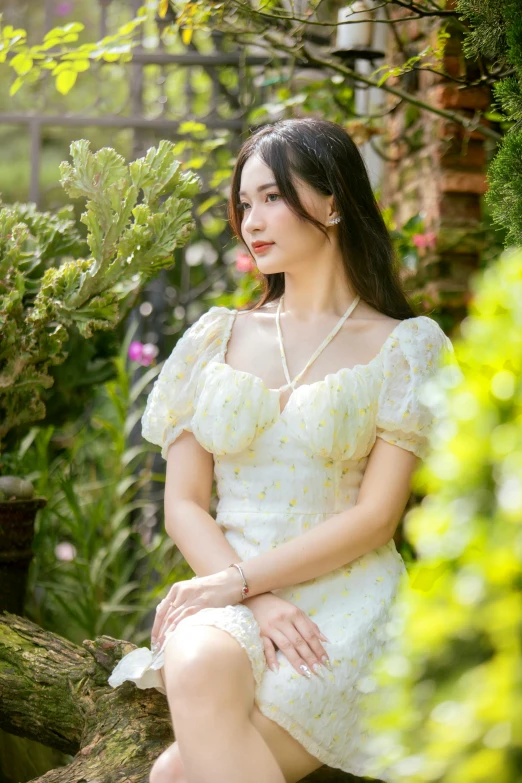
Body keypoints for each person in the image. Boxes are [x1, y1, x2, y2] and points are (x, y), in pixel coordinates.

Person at [108, 117, 454, 783]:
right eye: (244, 203)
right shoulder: (214, 337)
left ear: (331, 200)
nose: (252, 220)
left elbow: (378, 516)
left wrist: (243, 586)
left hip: (348, 605)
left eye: (271, 197)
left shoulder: (406, 346)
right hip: (228, 588)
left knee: (175, 776)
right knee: (199, 661)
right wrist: (250, 594)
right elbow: (182, 502)